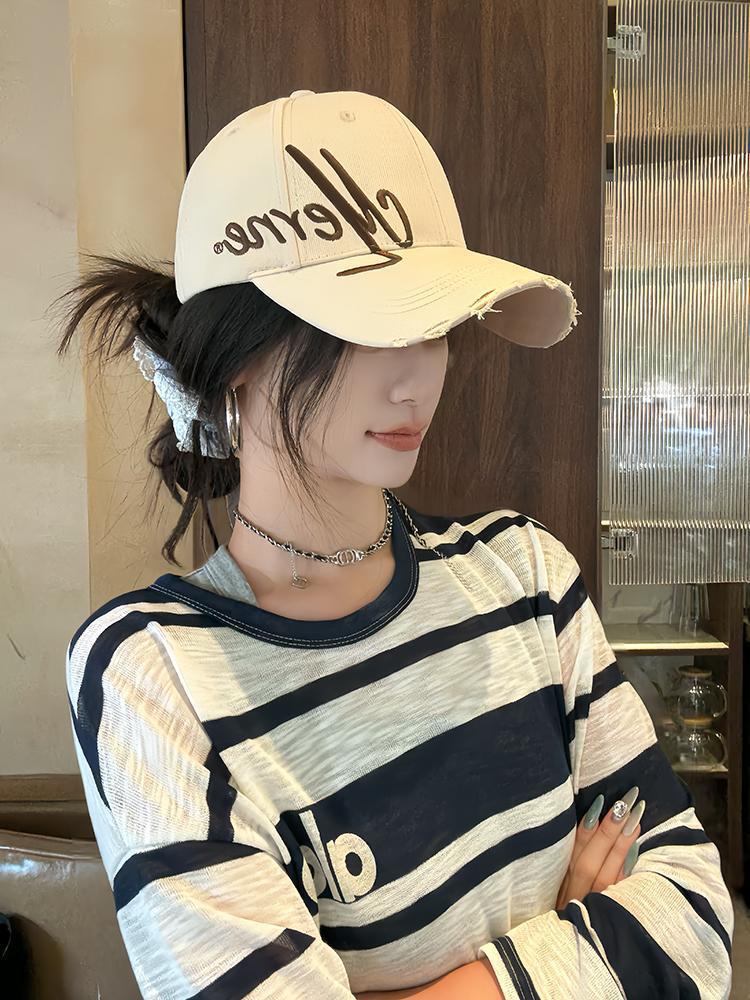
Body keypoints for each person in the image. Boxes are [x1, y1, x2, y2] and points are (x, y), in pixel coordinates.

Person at [56, 90, 733, 999]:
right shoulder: (154, 672)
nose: (419, 375)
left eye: (436, 323)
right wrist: (570, 938)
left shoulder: (525, 574)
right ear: (236, 349)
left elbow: (696, 919)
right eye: (369, 325)